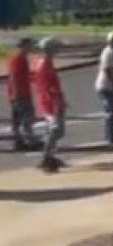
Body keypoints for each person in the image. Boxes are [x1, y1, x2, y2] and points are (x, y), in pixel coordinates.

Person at [35, 37, 66, 173]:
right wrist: (55, 102)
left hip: (52, 101)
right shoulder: (44, 65)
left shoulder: (47, 62)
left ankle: (49, 156)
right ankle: (46, 158)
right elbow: (46, 87)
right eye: (55, 47)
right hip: (50, 103)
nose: (58, 50)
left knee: (56, 131)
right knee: (55, 129)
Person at [6, 38, 41, 151]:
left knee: (17, 120)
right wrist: (17, 93)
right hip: (20, 94)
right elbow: (14, 77)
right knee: (27, 117)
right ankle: (30, 141)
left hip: (17, 93)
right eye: (29, 45)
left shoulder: (19, 58)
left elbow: (23, 75)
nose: (31, 48)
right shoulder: (18, 59)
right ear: (23, 46)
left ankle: (18, 142)